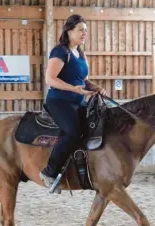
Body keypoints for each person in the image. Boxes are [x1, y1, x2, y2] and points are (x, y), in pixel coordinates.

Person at [39, 14, 107, 193]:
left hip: (78, 101)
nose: (84, 33)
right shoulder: (61, 51)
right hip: (59, 101)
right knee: (73, 132)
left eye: (85, 30)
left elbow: (84, 80)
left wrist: (97, 87)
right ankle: (49, 171)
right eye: (80, 30)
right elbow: (50, 79)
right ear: (69, 31)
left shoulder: (80, 53)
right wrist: (73, 89)